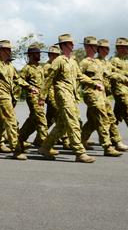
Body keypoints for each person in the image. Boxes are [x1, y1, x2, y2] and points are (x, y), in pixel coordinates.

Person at [38, 34, 95, 163]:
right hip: (62, 94)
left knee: (62, 125)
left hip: (72, 95)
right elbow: (49, 79)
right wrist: (42, 96)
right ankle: (80, 153)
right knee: (73, 121)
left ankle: (45, 147)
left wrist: (94, 83)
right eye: (70, 43)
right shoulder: (58, 60)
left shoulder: (73, 62)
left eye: (72, 43)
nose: (73, 45)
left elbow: (80, 76)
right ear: (63, 46)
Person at [77, 37, 122, 157]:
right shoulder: (84, 63)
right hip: (91, 94)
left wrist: (125, 78)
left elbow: (110, 73)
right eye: (92, 46)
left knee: (93, 121)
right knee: (102, 119)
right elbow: (78, 77)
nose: (95, 48)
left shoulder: (97, 62)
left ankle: (80, 141)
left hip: (102, 95)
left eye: (96, 46)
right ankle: (107, 147)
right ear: (86, 47)